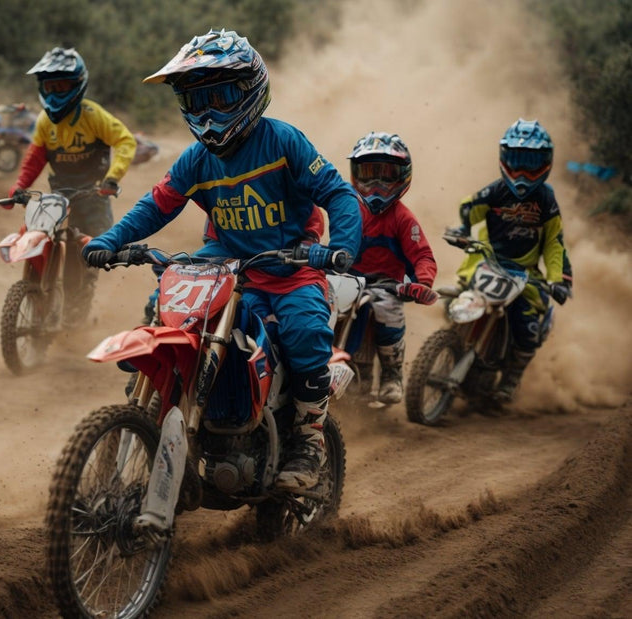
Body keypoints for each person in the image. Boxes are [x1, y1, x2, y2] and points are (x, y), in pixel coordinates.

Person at [82, 29, 361, 491]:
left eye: (221, 95)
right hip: (223, 262)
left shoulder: (283, 141)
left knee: (307, 333)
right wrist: (110, 240)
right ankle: (155, 411)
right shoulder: (197, 159)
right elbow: (155, 204)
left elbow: (338, 193)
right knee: (164, 307)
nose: (207, 111)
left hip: (290, 265)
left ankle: (307, 440)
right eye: (195, 100)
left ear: (250, 89)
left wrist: (340, 246)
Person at [6, 47, 137, 323]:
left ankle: (78, 308)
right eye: (49, 86)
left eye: (62, 86)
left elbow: (125, 141)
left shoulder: (93, 115)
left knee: (93, 251)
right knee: (33, 235)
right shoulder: (44, 122)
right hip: (58, 196)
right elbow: (35, 158)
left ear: (77, 85)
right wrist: (19, 186)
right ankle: (37, 292)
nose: (54, 93)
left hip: (93, 193)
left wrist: (112, 179)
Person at [448, 119, 572, 402]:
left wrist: (558, 280)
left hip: (526, 275)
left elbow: (555, 243)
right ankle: (451, 343)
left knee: (525, 325)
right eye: (516, 160)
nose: (523, 171)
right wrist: (464, 232)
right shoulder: (494, 191)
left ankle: (512, 376)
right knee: (452, 298)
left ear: (546, 162)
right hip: (488, 263)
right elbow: (470, 209)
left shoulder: (546, 200)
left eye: (531, 162)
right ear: (504, 158)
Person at [345, 131, 439, 404]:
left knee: (385, 305)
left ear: (402, 176)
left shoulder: (402, 218)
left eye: (385, 174)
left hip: (386, 286)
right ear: (355, 173)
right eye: (369, 173)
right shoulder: (349, 208)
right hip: (347, 281)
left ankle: (391, 373)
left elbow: (422, 255)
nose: (376, 184)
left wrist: (422, 282)